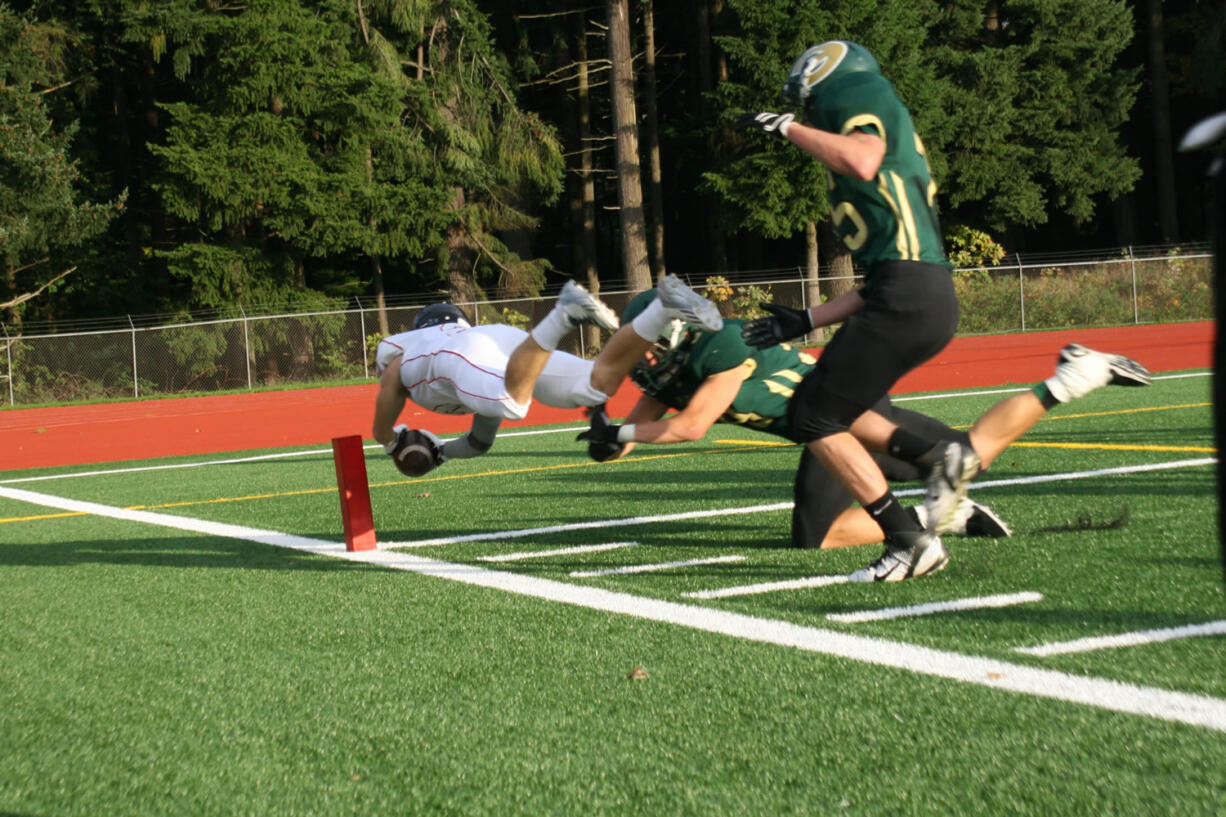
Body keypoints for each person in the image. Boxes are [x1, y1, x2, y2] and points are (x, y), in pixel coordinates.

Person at [578, 289, 1151, 557]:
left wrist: (621, 433)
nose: (649, 360)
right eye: (644, 349)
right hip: (828, 433)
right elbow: (634, 432)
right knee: (960, 458)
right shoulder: (663, 372)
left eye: (656, 347)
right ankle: (936, 515)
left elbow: (691, 426)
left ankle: (1070, 379)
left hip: (840, 422)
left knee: (959, 461)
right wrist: (607, 438)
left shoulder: (723, 344)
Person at [730, 41, 969, 581]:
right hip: (913, 291)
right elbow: (882, 277)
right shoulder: (871, 113)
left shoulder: (860, 91)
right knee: (836, 407)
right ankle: (936, 462)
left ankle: (912, 533)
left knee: (814, 414)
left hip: (909, 293)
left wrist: (788, 127)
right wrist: (807, 319)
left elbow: (861, 157)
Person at [372, 276, 723, 475]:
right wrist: (442, 452)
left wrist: (388, 439)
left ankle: (564, 313)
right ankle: (662, 310)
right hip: (500, 340)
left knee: (511, 402)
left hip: (463, 355)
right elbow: (479, 443)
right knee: (592, 387)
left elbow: (391, 380)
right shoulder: (469, 368)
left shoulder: (417, 344)